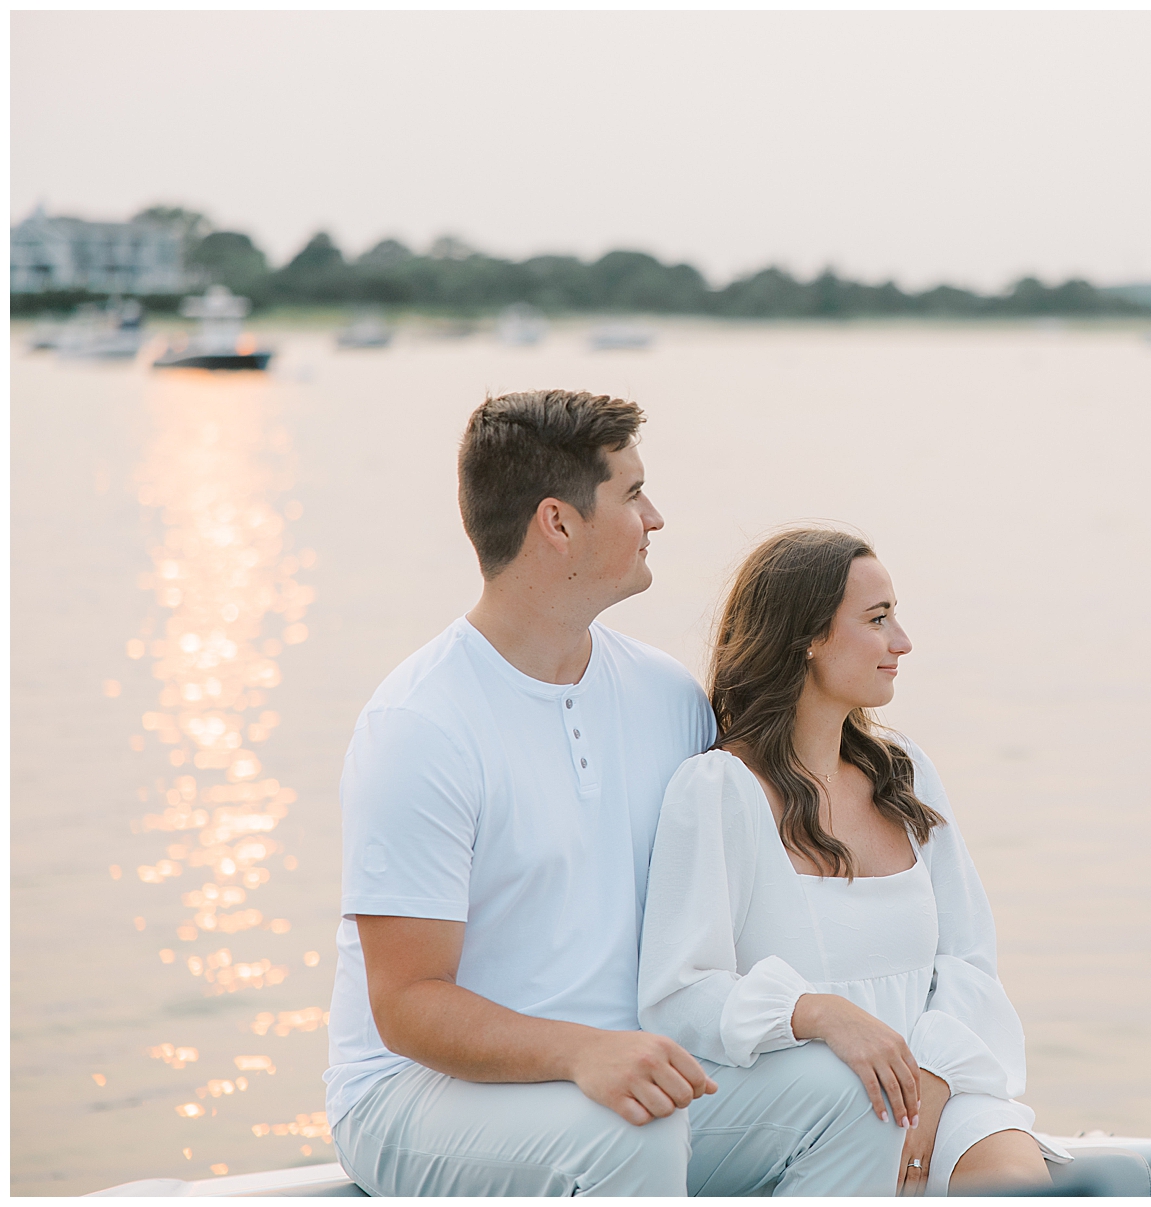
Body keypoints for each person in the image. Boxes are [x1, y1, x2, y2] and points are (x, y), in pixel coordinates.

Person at [326, 392, 904, 1196]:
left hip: (630, 1072)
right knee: (631, 1130)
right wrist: (579, 1051)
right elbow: (408, 1005)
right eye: (632, 494)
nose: (655, 516)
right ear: (558, 523)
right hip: (417, 1095)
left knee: (854, 1097)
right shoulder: (422, 725)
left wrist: (823, 1009)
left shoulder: (667, 697)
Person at [639, 528, 1071, 1196]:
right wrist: (818, 1012)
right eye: (877, 620)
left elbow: (968, 959)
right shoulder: (721, 790)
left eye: (895, 615)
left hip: (936, 1072)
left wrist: (926, 1086)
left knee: (1014, 1182)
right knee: (854, 1120)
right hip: (801, 1095)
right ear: (809, 637)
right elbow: (680, 992)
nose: (902, 642)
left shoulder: (905, 774)